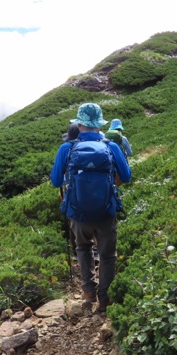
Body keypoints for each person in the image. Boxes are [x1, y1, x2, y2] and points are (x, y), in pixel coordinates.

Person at [51, 103, 132, 313]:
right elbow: (126, 177)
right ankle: (104, 299)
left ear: (79, 125)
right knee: (107, 255)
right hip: (106, 212)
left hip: (77, 213)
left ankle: (88, 291)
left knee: (83, 248)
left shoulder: (66, 148)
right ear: (99, 124)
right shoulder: (111, 147)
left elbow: (54, 180)